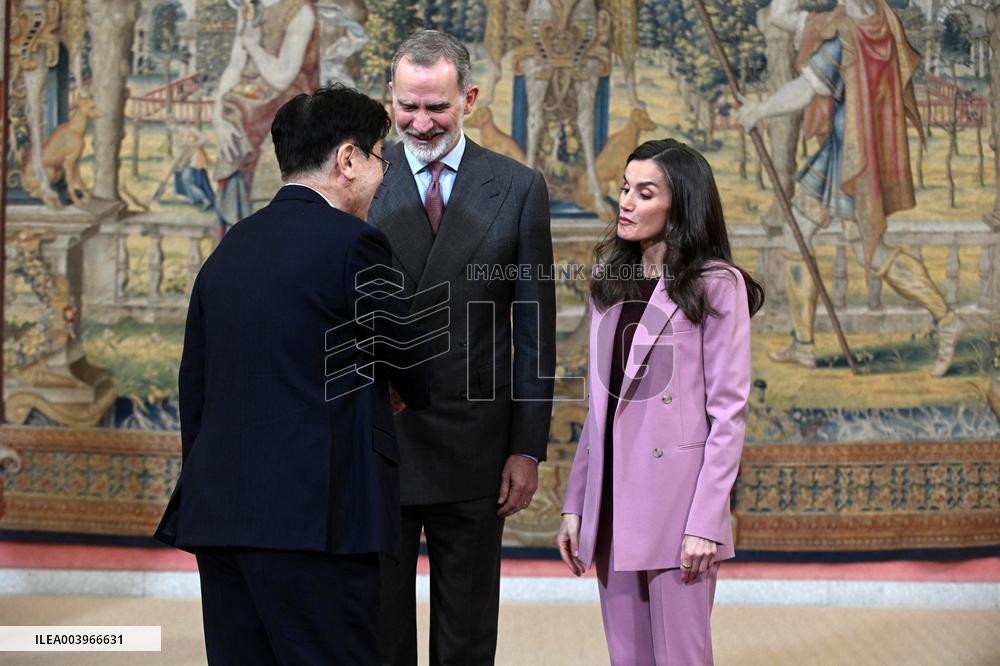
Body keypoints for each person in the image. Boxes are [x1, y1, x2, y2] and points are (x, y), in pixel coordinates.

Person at [154, 84, 432, 665]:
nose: (382, 176)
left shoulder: (227, 252)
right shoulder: (357, 245)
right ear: (348, 159)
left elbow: (196, 390)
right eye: (380, 158)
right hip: (319, 526)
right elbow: (413, 362)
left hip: (222, 520)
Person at [368, 30, 556, 665]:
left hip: (475, 448)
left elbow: (533, 331)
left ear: (469, 98)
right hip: (379, 442)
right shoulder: (358, 179)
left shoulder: (518, 187)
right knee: (378, 632)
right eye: (408, 106)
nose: (422, 123)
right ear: (390, 98)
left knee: (468, 635)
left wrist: (527, 447)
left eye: (438, 107)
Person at [557, 139, 764, 665]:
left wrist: (707, 522)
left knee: (681, 659)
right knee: (628, 659)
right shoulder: (610, 283)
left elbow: (729, 414)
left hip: (679, 511)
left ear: (681, 205)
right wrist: (577, 504)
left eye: (644, 192)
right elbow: (601, 410)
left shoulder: (717, 286)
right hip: (612, 503)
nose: (626, 202)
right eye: (625, 188)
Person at [737, 0, 964, 377]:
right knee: (803, 234)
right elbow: (783, 18)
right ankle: (805, 345)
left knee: (871, 252)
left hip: (851, 161)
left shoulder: (845, 33)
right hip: (853, 153)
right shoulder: (880, 21)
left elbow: (805, 89)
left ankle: (947, 317)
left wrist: (758, 111)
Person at [213, 0, 318, 233]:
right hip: (249, 109)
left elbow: (282, 76)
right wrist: (218, 116)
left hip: (289, 112)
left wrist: (253, 45)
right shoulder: (248, 8)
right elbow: (234, 65)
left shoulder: (300, 11)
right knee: (232, 152)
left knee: (269, 183)